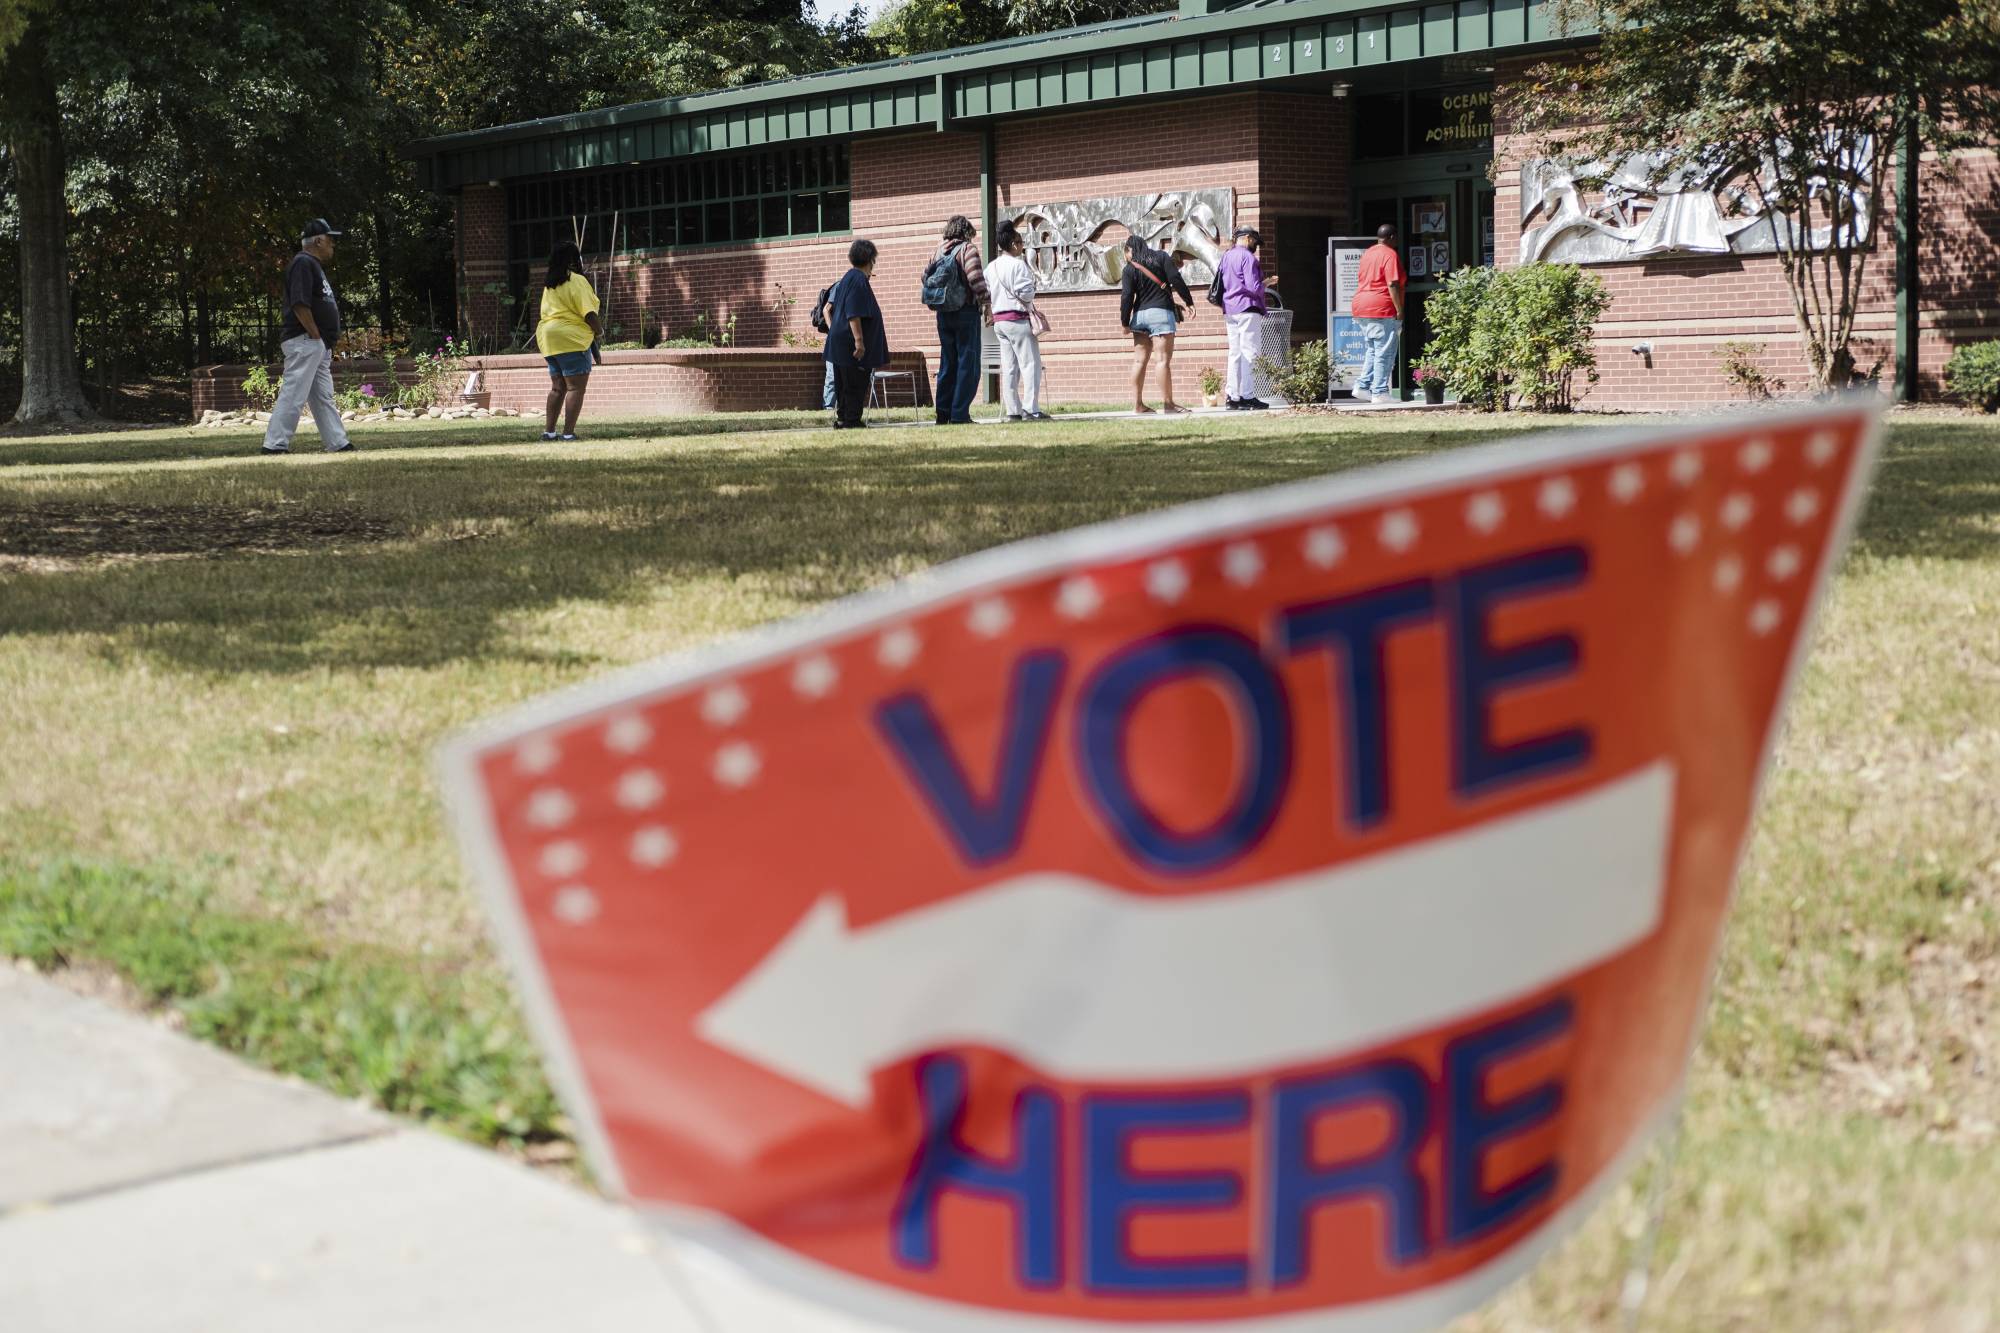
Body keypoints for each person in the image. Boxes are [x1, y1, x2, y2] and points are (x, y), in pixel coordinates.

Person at [260, 219, 354, 455]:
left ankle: (338, 442)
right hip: (306, 340)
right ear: (318, 240)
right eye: (330, 239)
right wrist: (314, 335)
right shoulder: (303, 263)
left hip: (316, 344)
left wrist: (322, 341)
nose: (333, 244)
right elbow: (299, 303)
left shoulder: (312, 265)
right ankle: (274, 444)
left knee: (323, 396)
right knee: (294, 392)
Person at [1118, 233, 1195, 415]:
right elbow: (1175, 278)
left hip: (1140, 317)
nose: (1126, 257)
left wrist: (1124, 322)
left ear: (1130, 250)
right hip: (1161, 314)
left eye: (1125, 253)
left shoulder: (1129, 269)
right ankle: (1168, 404)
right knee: (1161, 361)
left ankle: (1138, 405)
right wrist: (1188, 301)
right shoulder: (1161, 257)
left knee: (1138, 361)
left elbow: (1127, 296)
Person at [536, 241, 602, 440]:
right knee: (575, 388)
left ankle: (549, 432)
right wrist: (599, 331)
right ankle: (568, 434)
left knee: (558, 388)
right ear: (574, 260)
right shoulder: (577, 280)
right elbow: (589, 313)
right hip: (571, 338)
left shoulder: (550, 284)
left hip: (549, 339)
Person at [986, 221, 1050, 422]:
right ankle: (1031, 408)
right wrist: (1033, 288)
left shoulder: (991, 267)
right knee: (1030, 364)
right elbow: (1026, 293)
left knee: (1010, 368)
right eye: (1021, 242)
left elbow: (988, 294)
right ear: (1013, 244)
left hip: (1000, 321)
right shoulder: (1018, 264)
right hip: (1018, 320)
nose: (1022, 246)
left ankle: (1013, 410)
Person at [929, 215, 989, 425]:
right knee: (968, 364)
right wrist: (986, 302)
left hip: (943, 313)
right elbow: (975, 279)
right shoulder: (967, 249)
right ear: (966, 232)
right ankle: (959, 414)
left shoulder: (937, 251)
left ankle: (942, 413)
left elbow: (924, 277)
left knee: (947, 362)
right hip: (965, 312)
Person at [825, 238, 889, 429]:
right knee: (854, 384)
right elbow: (854, 312)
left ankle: (844, 418)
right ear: (869, 259)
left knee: (844, 384)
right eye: (873, 261)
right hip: (850, 346)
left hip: (839, 344)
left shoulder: (847, 277)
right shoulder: (858, 279)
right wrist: (859, 342)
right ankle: (852, 420)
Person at [1217, 226, 1277, 410]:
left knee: (1234, 353)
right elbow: (1253, 287)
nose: (1255, 247)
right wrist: (1266, 283)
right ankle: (1247, 396)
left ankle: (1232, 397)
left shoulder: (1227, 256)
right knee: (1249, 353)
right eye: (1255, 242)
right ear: (1248, 238)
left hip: (1230, 308)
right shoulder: (1248, 258)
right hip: (1248, 308)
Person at [1352, 222, 1406, 403]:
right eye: (1396, 238)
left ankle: (1362, 386)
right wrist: (1399, 310)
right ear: (1391, 237)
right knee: (1384, 351)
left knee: (1372, 350)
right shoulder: (1389, 254)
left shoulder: (1368, 253)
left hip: (1361, 305)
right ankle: (1380, 392)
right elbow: (1392, 283)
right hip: (1381, 307)